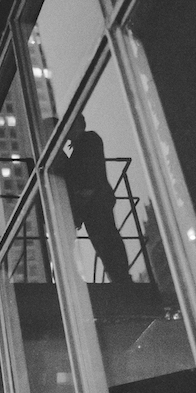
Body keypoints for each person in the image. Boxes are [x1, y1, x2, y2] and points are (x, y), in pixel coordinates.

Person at [59, 113, 132, 286]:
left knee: (106, 240)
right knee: (104, 241)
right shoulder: (86, 143)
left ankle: (120, 276)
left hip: (95, 202)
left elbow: (88, 173)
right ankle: (119, 276)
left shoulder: (89, 140)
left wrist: (82, 199)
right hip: (93, 202)